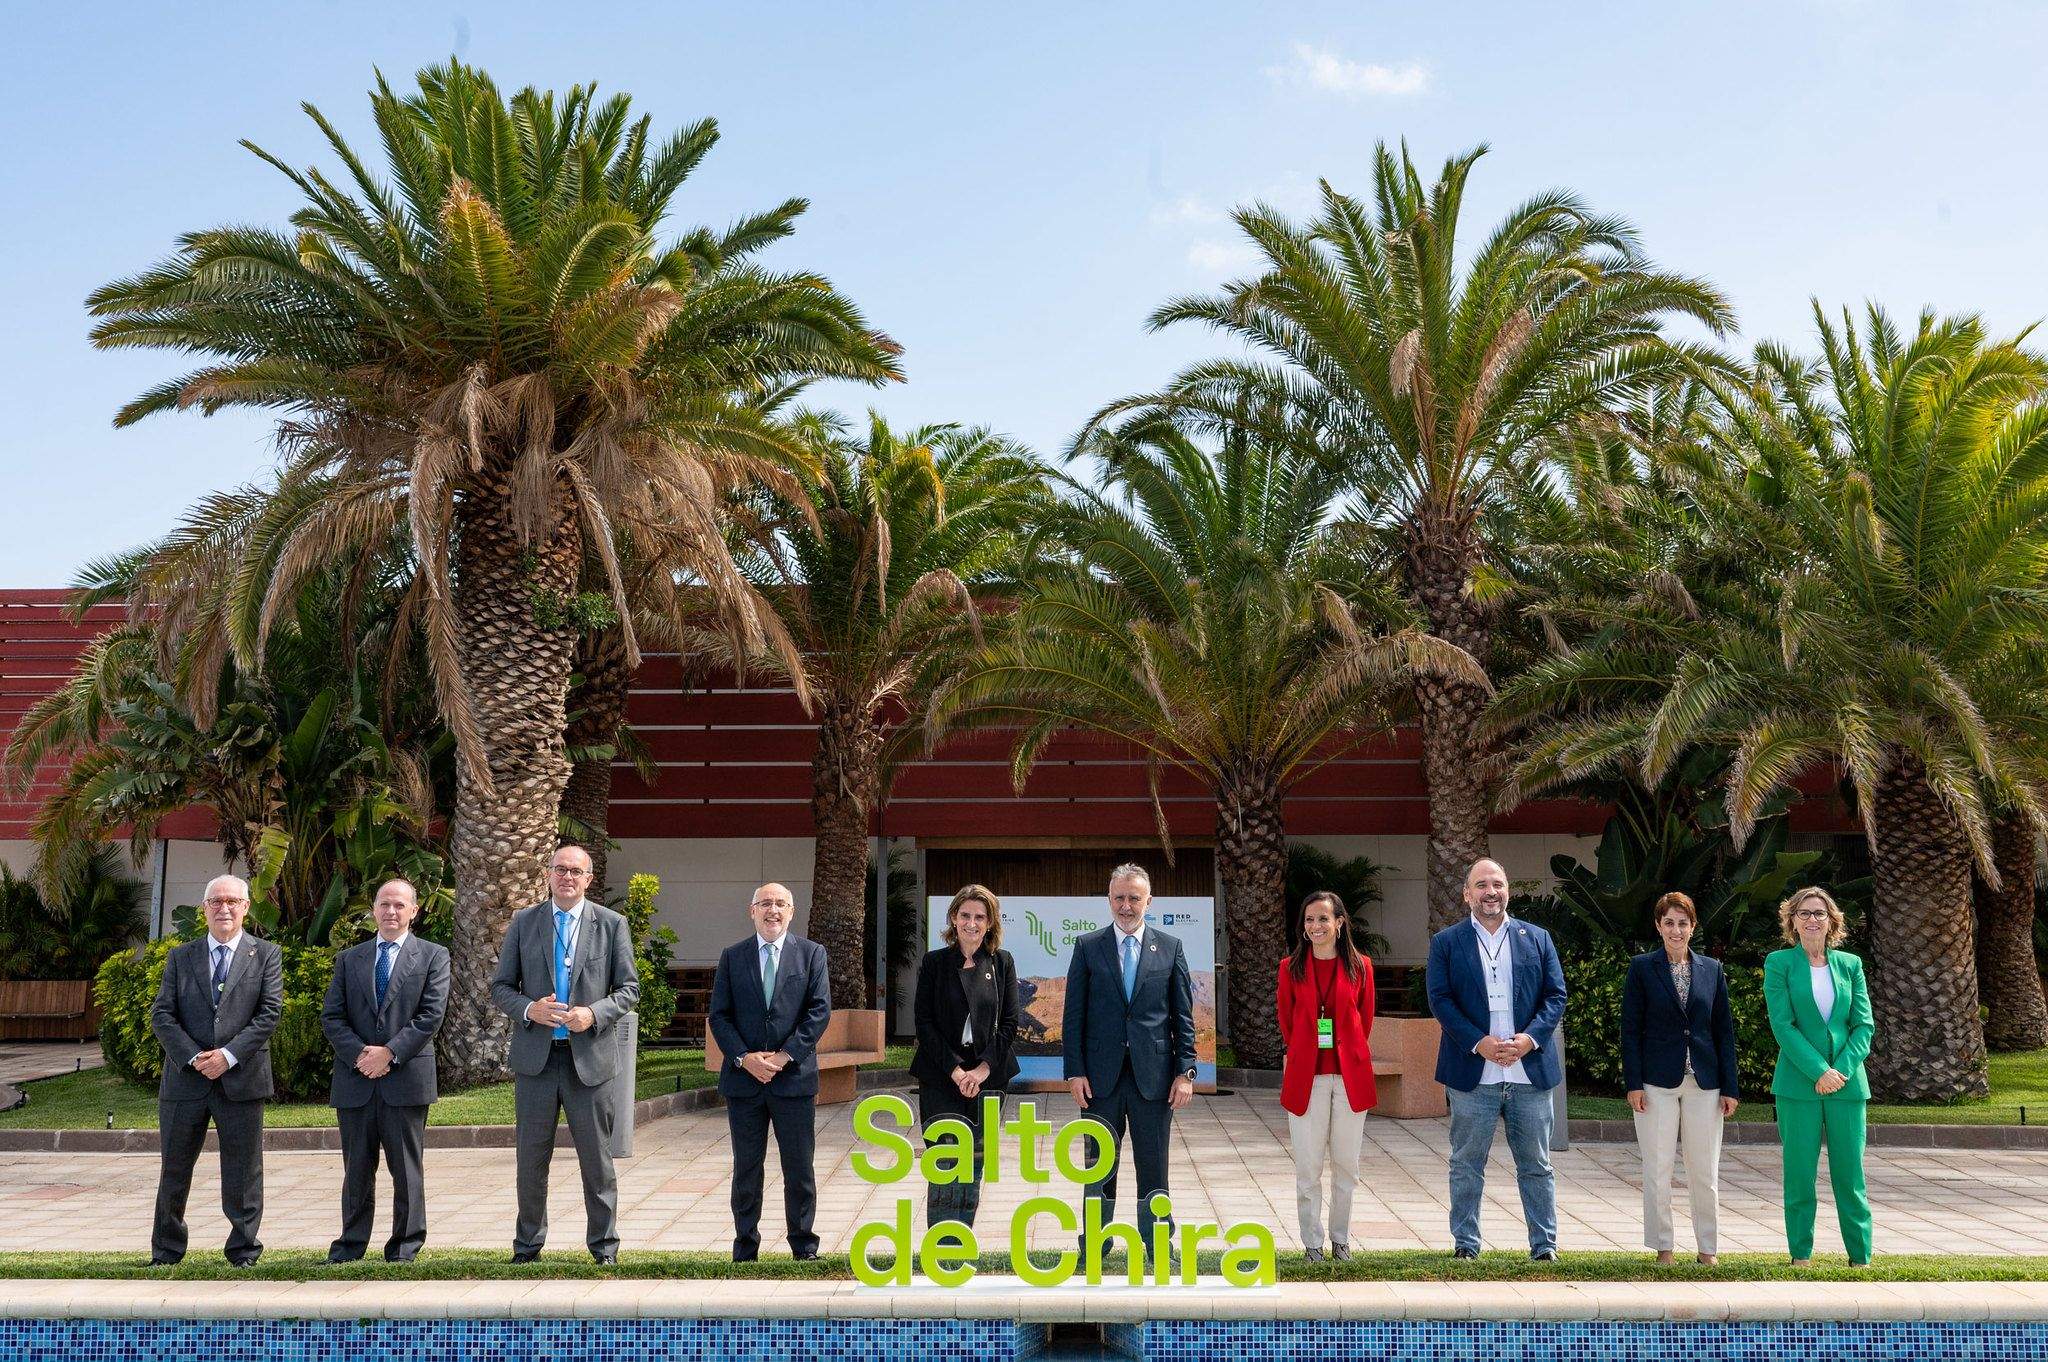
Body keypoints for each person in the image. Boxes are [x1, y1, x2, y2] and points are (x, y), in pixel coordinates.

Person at [489, 843, 639, 1265]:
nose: (567, 877)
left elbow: (628, 989)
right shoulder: (524, 922)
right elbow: (501, 986)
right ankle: (527, 1247)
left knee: (597, 1161)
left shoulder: (611, 924)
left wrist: (593, 1013)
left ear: (589, 879)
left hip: (588, 1063)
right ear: (548, 875)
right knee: (531, 1159)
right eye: (559, 870)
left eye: (575, 871)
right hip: (537, 1061)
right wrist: (529, 1009)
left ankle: (604, 1247)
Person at [1426, 857, 1567, 1260]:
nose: (1492, 892)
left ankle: (1545, 1247)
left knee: (1537, 1165)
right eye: (1482, 885)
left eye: (1498, 884)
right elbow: (1440, 1000)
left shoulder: (1536, 938)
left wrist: (1529, 1039)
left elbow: (1555, 995)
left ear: (1508, 890)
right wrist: (1478, 1042)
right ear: (1467, 894)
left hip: (1529, 1072)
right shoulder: (1447, 942)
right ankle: (1466, 1246)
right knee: (1467, 1164)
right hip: (1474, 1073)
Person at [1063, 863, 1197, 1264]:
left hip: (1153, 1080)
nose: (1126, 906)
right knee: (1098, 1166)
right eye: (1119, 898)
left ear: (1148, 901)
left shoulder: (1170, 948)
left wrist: (1185, 1072)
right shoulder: (1088, 947)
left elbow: (1183, 1017)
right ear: (1109, 900)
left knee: (1153, 1166)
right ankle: (1095, 1247)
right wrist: (1074, 1071)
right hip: (1098, 1082)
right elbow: (1074, 1016)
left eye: (1134, 898)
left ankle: (1158, 1245)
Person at [148, 874, 285, 1267]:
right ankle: (166, 1251)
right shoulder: (180, 956)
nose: (224, 908)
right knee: (174, 1167)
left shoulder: (267, 955)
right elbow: (163, 1013)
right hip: (185, 1080)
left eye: (232, 901)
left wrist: (227, 1055)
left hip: (241, 1079)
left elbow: (268, 1013)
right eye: (216, 901)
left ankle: (243, 1249)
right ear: (204, 909)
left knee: (244, 1170)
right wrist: (193, 1057)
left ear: (245, 908)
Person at [319, 877, 451, 1263]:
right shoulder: (350, 959)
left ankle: (405, 1245)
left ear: (414, 911)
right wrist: (362, 1055)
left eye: (399, 905)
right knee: (356, 1168)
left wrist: (389, 1054)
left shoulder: (432, 956)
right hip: (355, 1079)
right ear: (373, 910)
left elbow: (430, 1016)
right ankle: (351, 1244)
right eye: (384, 905)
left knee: (406, 1167)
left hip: (406, 1079)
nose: (390, 912)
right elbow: (332, 1016)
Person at [707, 881, 832, 1262]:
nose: (772, 910)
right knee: (747, 1168)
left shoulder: (811, 954)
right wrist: (745, 1058)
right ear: (752, 910)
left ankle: (804, 1246)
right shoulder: (733, 956)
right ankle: (745, 1248)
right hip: (745, 1082)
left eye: (780, 904)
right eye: (765, 903)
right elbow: (720, 1015)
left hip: (792, 1080)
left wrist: (783, 1057)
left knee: (799, 1168)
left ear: (791, 912)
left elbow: (818, 1011)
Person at [1620, 890, 1739, 1265]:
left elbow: (1723, 1031)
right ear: (1658, 926)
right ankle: (1663, 1248)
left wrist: (1730, 1087)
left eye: (1683, 923)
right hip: (1656, 1082)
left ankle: (1708, 1249)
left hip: (1705, 1081)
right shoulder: (1642, 968)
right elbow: (1630, 1030)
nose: (1676, 929)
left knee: (1705, 1171)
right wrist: (1633, 1084)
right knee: (1658, 1168)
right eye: (1669, 922)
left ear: (1693, 927)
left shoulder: (1711, 969)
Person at [1763, 885, 1874, 1267]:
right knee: (1799, 1175)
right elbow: (1783, 1024)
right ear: (1792, 921)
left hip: (1847, 1087)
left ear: (1832, 921)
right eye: (1805, 913)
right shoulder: (1779, 964)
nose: (1812, 920)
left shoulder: (1851, 965)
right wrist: (1818, 1070)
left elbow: (1864, 1027)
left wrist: (1838, 1071)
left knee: (1850, 1176)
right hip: (1798, 1086)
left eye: (1820, 913)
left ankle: (1860, 1258)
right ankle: (1800, 1256)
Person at [911, 883, 1020, 1229]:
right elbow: (924, 1023)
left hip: (989, 1079)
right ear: (954, 919)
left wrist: (984, 1069)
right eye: (965, 915)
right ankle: (940, 1246)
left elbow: (1010, 1023)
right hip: (942, 1077)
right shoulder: (934, 963)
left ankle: (961, 1243)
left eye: (980, 917)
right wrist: (957, 1072)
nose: (972, 923)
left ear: (990, 923)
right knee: (944, 1159)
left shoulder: (1002, 963)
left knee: (974, 1162)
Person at [1276, 889, 1377, 1261]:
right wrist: (1306, 1049)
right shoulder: (1290, 968)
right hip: (1307, 1078)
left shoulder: (1361, 966)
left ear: (1339, 923)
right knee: (1308, 1167)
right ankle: (1312, 1244)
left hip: (1349, 1078)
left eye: (1323, 918)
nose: (1315, 926)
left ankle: (1340, 1240)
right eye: (1309, 919)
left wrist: (1343, 1049)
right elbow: (1286, 1021)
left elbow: (1363, 1021)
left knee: (1346, 1167)